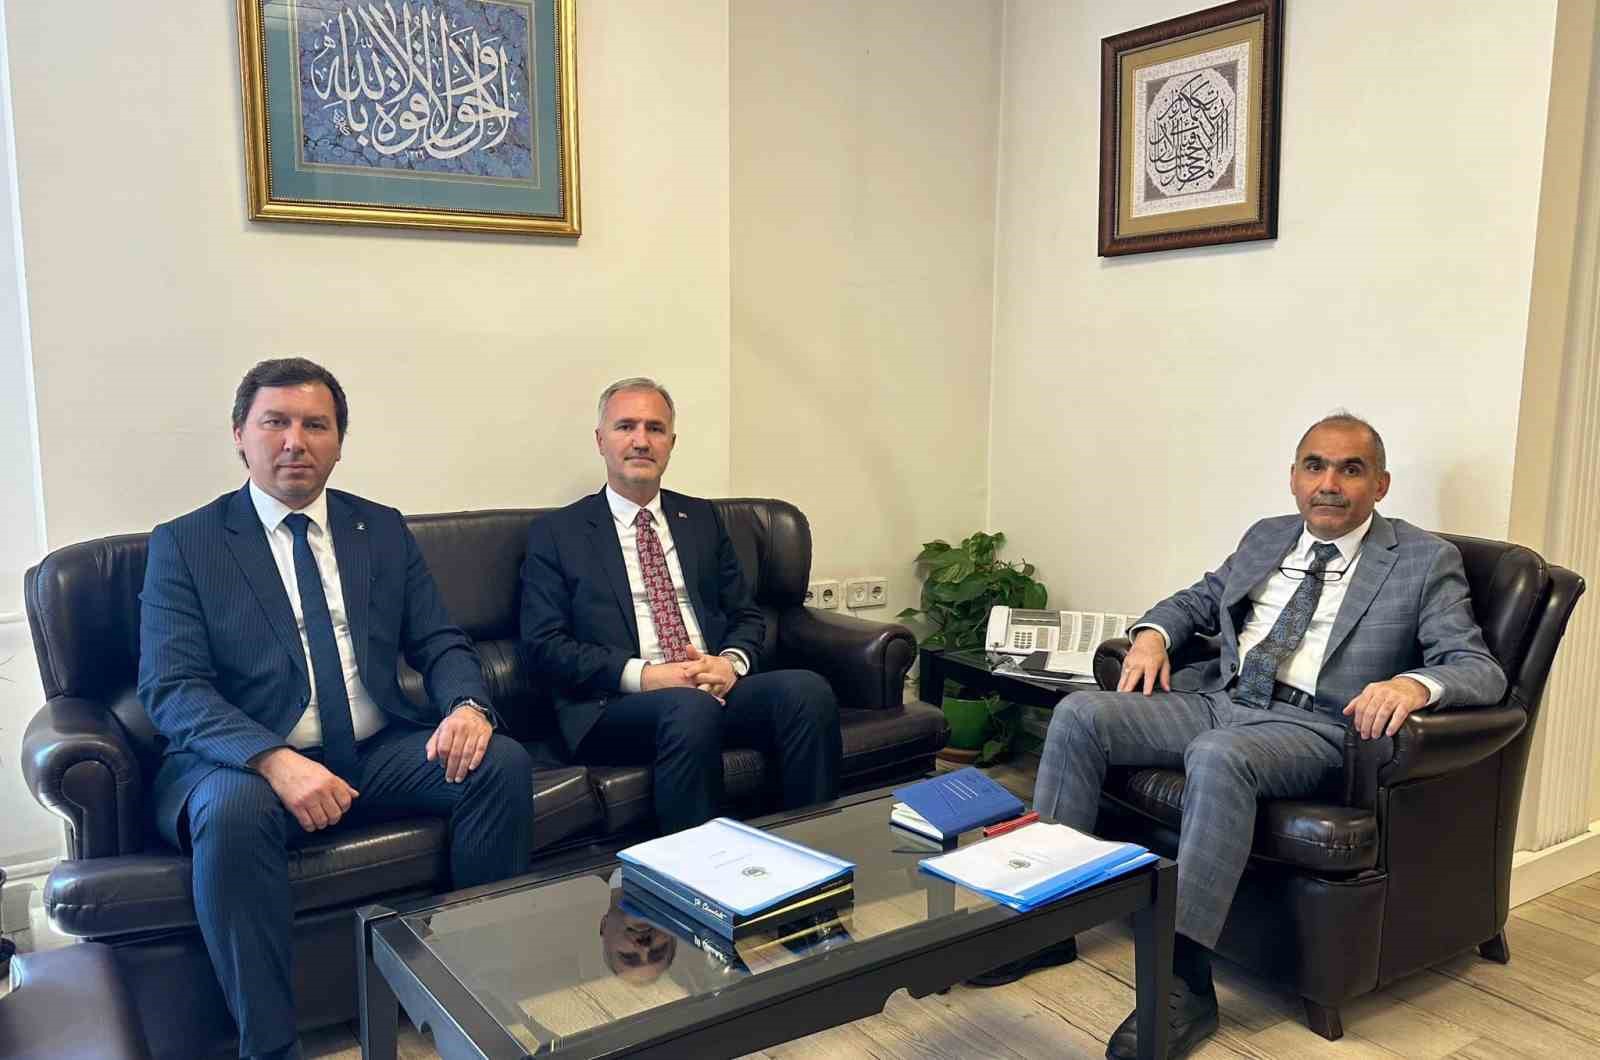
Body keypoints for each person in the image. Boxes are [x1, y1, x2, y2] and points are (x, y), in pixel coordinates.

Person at [988, 414, 1506, 1060]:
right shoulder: (1267, 537)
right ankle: (1043, 925)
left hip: (1315, 727)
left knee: (1218, 756)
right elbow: (1197, 600)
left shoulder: (1423, 561)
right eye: (1315, 466)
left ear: (1380, 485)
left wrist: (1411, 685)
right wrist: (1152, 635)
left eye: (1351, 469)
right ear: (1294, 477)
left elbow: (1477, 667)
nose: (1329, 483)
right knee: (1080, 714)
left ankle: (1183, 980)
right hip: (1223, 700)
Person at [138, 358, 534, 1060]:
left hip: (374, 749)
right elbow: (172, 686)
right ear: (239, 434)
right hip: (243, 764)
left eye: (315, 425)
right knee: (231, 813)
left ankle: (474, 1004)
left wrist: (469, 706)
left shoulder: (377, 529)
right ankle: (270, 1048)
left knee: (496, 764)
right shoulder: (187, 543)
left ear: (339, 442)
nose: (295, 441)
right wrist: (272, 758)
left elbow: (441, 641)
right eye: (275, 422)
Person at [520, 377, 841, 834]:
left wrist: (729, 663)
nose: (641, 440)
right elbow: (544, 646)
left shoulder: (702, 519)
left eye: (655, 428)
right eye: (626, 426)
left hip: (710, 686)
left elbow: (746, 613)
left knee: (806, 691)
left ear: (671, 443)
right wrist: (648, 676)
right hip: (616, 705)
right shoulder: (557, 533)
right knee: (689, 709)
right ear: (600, 440)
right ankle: (695, 870)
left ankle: (811, 847)